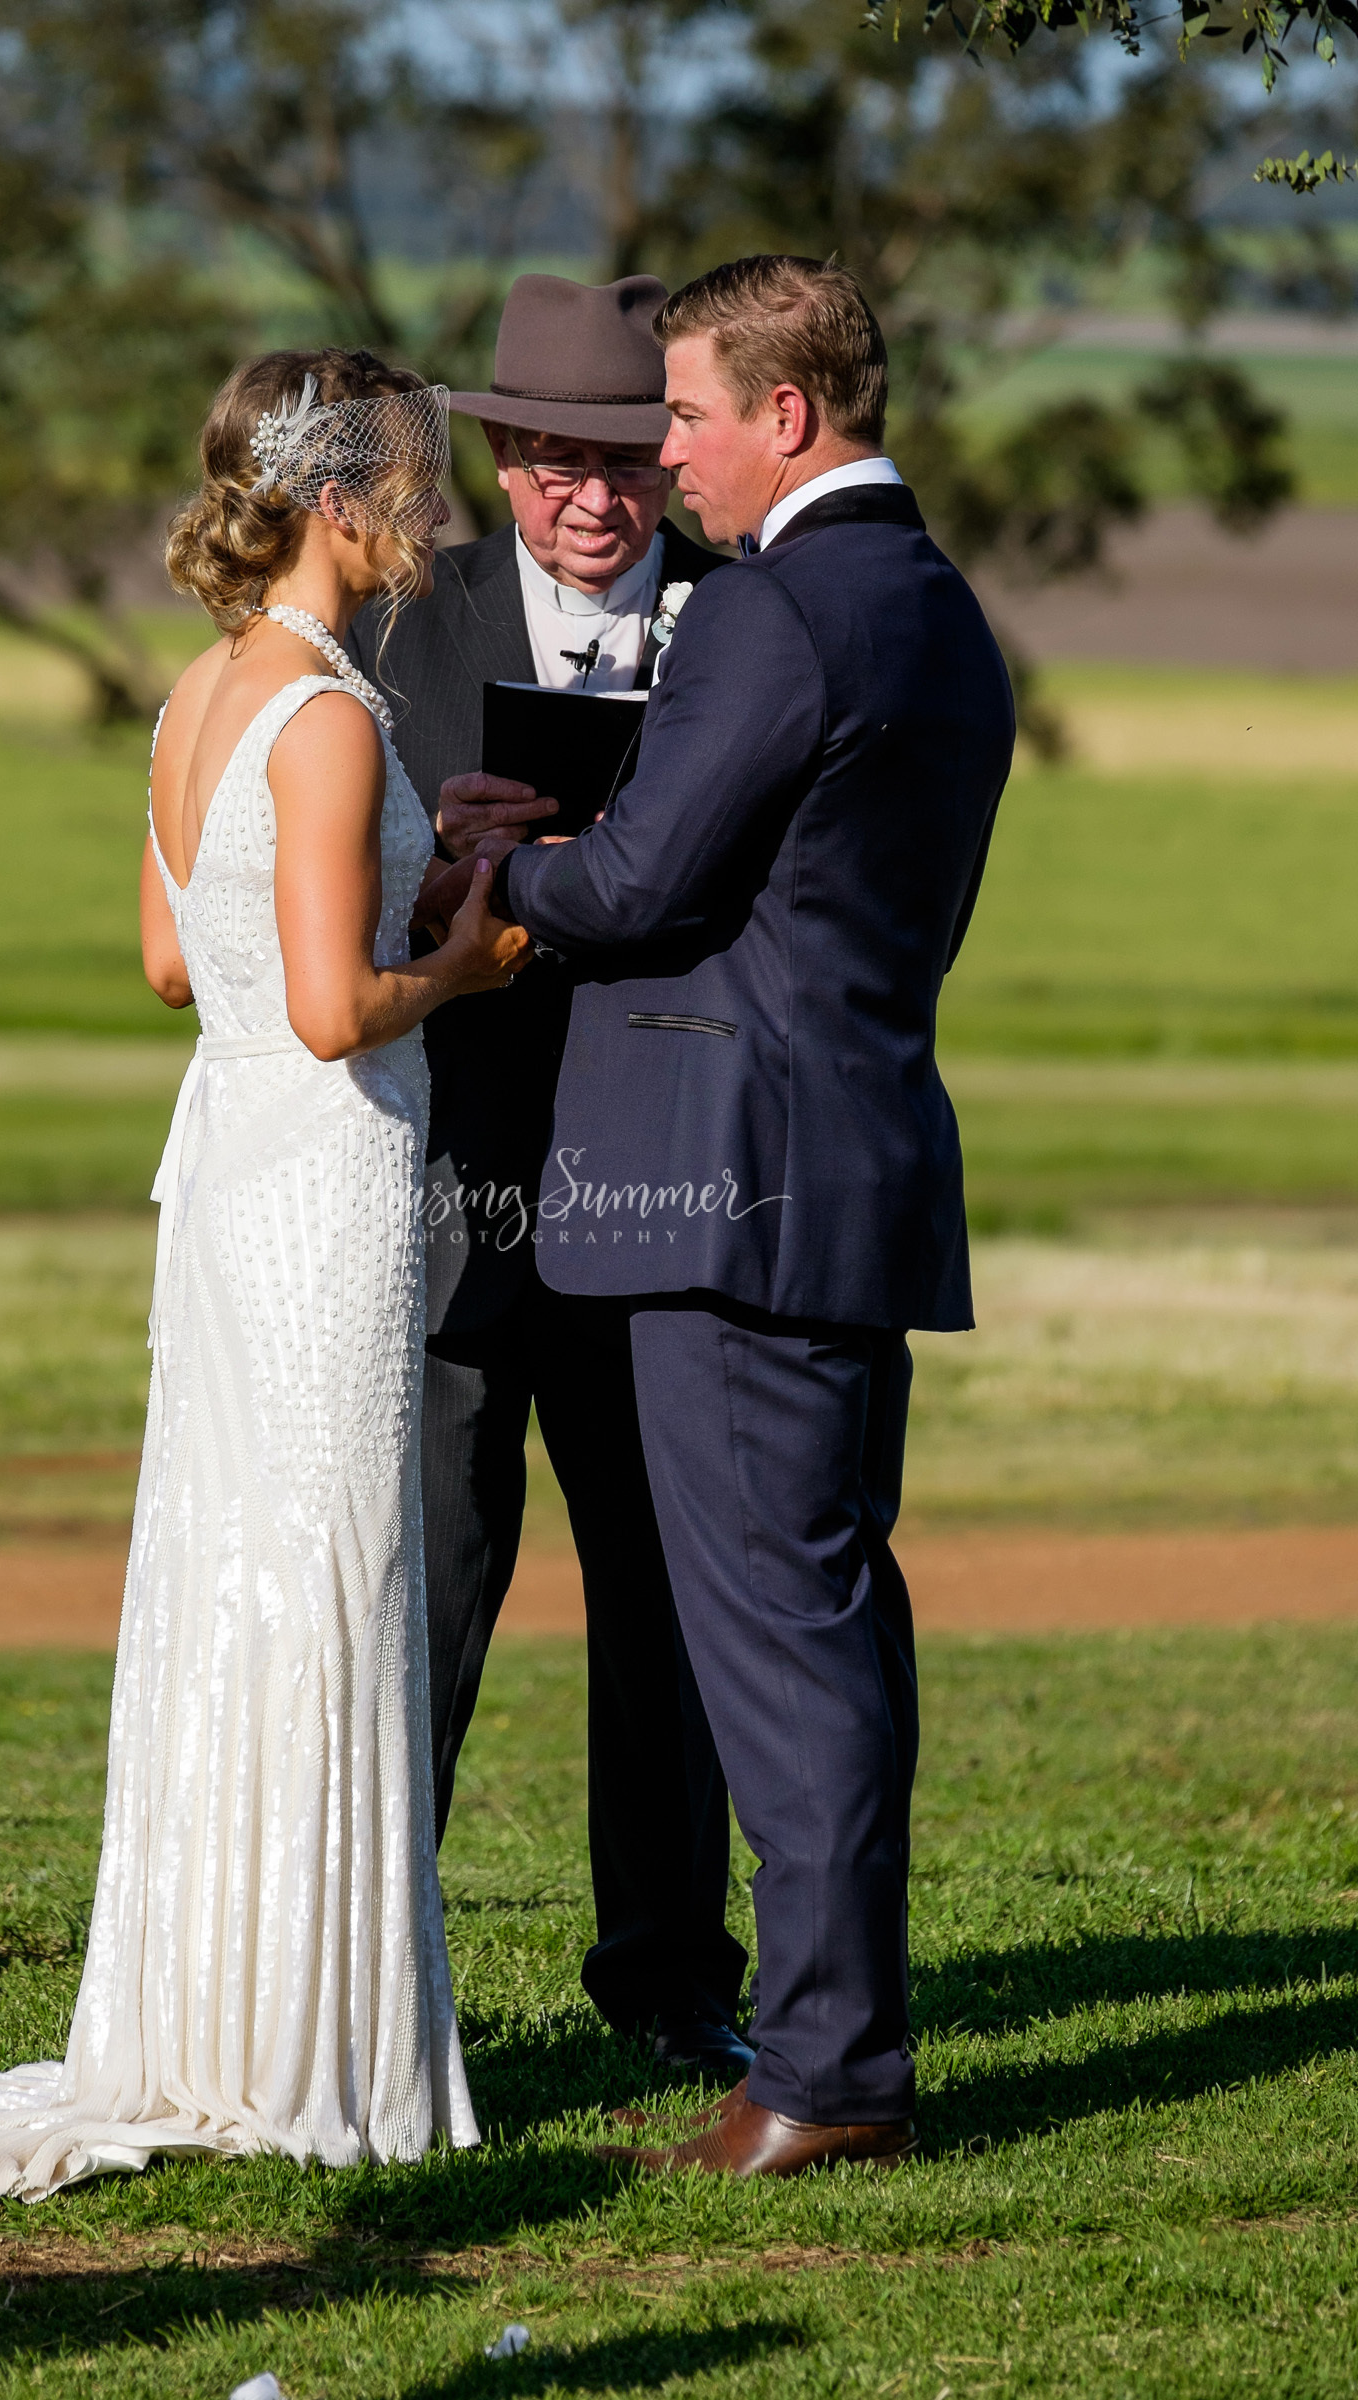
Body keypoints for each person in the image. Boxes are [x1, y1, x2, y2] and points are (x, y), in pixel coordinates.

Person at [0, 348, 525, 2202]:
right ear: (336, 499)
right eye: (412, 483)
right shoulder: (327, 714)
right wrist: (469, 961)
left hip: (227, 1170)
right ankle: (301, 2041)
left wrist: (411, 890)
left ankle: (226, 2006)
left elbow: (181, 965)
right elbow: (333, 1010)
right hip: (325, 1177)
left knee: (234, 1570)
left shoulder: (199, 693)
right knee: (328, 1573)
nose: (431, 516)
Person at [459, 255, 1016, 2177]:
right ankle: (839, 2041)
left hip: (726, 1195)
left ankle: (827, 2075)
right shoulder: (938, 606)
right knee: (834, 1623)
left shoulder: (774, 606)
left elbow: (642, 883)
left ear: (787, 413)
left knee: (779, 1642)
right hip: (854, 1169)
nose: (666, 453)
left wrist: (503, 868)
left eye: (686, 413)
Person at [348, 273, 750, 2078]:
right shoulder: (396, 627)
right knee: (428, 1572)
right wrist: (435, 869)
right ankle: (379, 1975)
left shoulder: (750, 619)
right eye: (556, 461)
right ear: (504, 456)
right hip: (459, 1172)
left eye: (628, 460)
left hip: (667, 1170)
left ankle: (670, 1984)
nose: (596, 496)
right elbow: (307, 900)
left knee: (661, 1587)